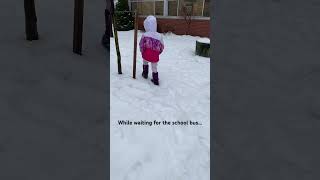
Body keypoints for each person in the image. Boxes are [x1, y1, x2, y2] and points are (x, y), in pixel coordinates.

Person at [139, 16, 164, 85]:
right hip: (154, 55)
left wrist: (142, 51)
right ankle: (155, 80)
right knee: (154, 67)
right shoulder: (159, 36)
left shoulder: (144, 35)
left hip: (146, 54)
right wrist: (158, 53)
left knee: (145, 62)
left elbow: (141, 44)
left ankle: (145, 73)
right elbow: (162, 46)